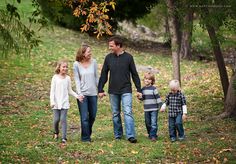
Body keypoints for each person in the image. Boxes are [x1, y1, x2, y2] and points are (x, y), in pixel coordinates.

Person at [98, 36, 142, 143]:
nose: (110, 48)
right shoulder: (108, 58)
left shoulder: (129, 57)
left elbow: (134, 74)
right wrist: (100, 89)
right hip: (113, 90)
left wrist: (139, 89)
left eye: (111, 46)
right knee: (115, 114)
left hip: (126, 89)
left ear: (118, 46)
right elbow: (104, 74)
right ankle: (118, 134)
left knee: (127, 112)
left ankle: (130, 135)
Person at [50, 60, 79, 144]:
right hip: (55, 103)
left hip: (64, 102)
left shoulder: (68, 78)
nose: (65, 68)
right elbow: (52, 91)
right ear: (59, 68)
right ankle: (56, 132)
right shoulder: (55, 77)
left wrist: (77, 96)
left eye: (66, 67)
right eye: (63, 67)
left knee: (63, 119)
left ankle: (64, 138)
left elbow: (70, 90)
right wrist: (52, 102)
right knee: (56, 120)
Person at [73, 44, 98, 142]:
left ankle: (87, 133)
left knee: (92, 115)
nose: (90, 53)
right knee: (84, 117)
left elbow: (96, 77)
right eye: (88, 51)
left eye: (90, 51)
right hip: (82, 94)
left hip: (93, 93)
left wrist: (100, 90)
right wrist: (79, 93)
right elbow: (77, 79)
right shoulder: (76, 64)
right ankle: (85, 138)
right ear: (83, 53)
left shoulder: (94, 62)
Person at [138, 72, 162, 142]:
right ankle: (150, 133)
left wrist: (161, 105)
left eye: (149, 79)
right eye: (145, 79)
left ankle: (153, 136)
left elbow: (158, 98)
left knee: (153, 123)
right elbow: (143, 98)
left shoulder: (154, 89)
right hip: (146, 109)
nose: (147, 80)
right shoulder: (143, 89)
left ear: (152, 81)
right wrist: (139, 97)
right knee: (147, 122)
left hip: (154, 109)